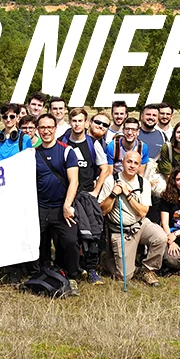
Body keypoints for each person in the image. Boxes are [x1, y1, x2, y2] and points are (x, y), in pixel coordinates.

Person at [98, 150, 164, 286]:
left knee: (160, 237)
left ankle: (148, 269)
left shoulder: (143, 183)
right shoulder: (111, 180)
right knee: (124, 276)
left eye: (136, 163)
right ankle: (105, 258)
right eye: (129, 162)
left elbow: (143, 212)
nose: (132, 166)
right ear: (122, 162)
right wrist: (113, 195)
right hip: (120, 229)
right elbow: (103, 210)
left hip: (140, 224)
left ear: (140, 166)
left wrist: (128, 195)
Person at [61, 108, 110, 284]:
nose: (77, 124)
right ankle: (71, 269)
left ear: (86, 122)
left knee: (93, 234)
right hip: (68, 196)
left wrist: (96, 191)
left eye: (80, 120)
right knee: (72, 236)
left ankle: (91, 270)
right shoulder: (63, 142)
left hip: (87, 195)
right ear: (70, 122)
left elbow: (105, 168)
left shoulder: (92, 144)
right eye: (73, 120)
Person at [33, 114, 81, 283]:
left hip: (62, 207)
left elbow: (74, 180)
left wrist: (67, 205)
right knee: (37, 242)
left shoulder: (67, 151)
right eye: (42, 128)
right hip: (40, 207)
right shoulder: (32, 154)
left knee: (70, 241)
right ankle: (42, 272)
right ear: (38, 130)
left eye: (49, 127)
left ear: (55, 129)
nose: (46, 131)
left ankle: (71, 274)